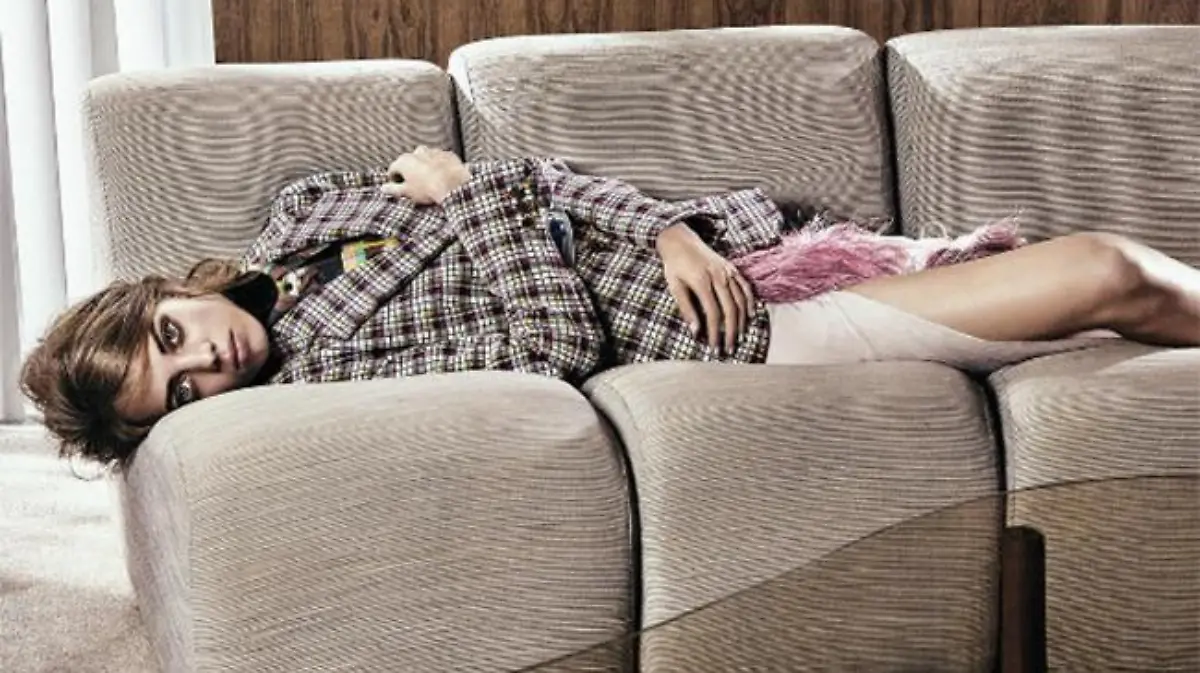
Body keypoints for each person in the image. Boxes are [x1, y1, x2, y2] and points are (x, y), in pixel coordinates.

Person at [20, 148, 1200, 468]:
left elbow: (542, 181)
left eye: (172, 338)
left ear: (163, 293)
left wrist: (662, 226)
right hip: (747, 333)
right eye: (182, 392)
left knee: (1115, 295)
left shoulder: (299, 221)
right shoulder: (325, 376)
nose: (209, 364)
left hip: (749, 254)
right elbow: (550, 345)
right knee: (1105, 274)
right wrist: (469, 190)